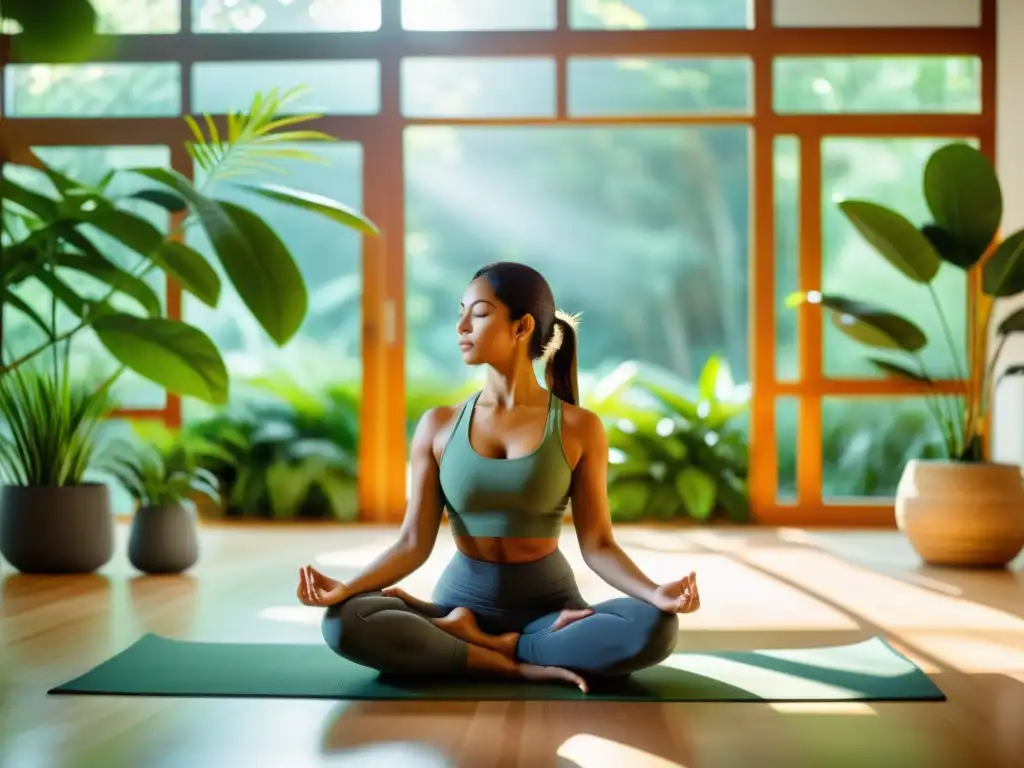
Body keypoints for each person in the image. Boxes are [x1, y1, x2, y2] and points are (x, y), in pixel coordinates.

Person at [297, 262, 700, 693]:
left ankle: (474, 645)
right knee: (344, 621)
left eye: (480, 313)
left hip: (550, 613)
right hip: (457, 602)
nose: (461, 325)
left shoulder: (579, 427)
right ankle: (498, 652)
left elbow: (598, 544)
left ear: (521, 326)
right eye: (461, 311)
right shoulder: (438, 426)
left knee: (654, 628)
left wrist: (655, 593)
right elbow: (413, 542)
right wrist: (347, 588)